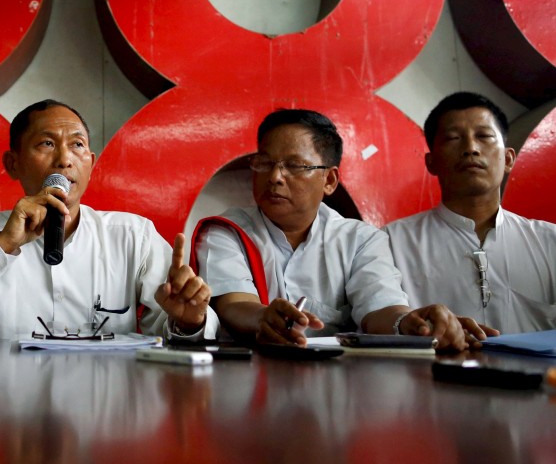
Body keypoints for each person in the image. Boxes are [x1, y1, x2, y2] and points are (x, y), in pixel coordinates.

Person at [0, 99, 217, 340]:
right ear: (13, 164)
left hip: (104, 414)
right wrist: (3, 246)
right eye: (47, 144)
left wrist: (189, 322)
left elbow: (169, 329)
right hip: (11, 416)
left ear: (90, 163)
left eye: (77, 145)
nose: (64, 159)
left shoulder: (133, 236)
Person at [195, 108, 486, 351]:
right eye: (265, 163)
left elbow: (380, 308)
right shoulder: (227, 230)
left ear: (330, 180)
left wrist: (410, 323)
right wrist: (263, 319)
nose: (275, 177)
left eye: (294, 166)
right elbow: (233, 304)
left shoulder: (360, 239)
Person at [386, 92, 556, 333]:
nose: (471, 148)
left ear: (508, 159)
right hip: (430, 371)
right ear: (431, 162)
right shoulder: (392, 243)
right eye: (454, 138)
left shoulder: (549, 241)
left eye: (484, 136)